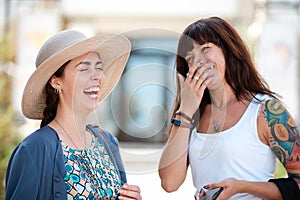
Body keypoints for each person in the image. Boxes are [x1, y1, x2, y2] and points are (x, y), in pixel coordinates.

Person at [159, 17, 300, 199]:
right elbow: (170, 183)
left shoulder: (266, 110)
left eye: (205, 49)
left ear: (228, 50)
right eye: (191, 58)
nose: (199, 62)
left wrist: (241, 187)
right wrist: (185, 110)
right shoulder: (190, 116)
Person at [5, 29, 142, 200]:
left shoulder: (107, 142)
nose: (97, 76)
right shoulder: (34, 149)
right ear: (56, 82)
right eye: (83, 69)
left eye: (99, 68)